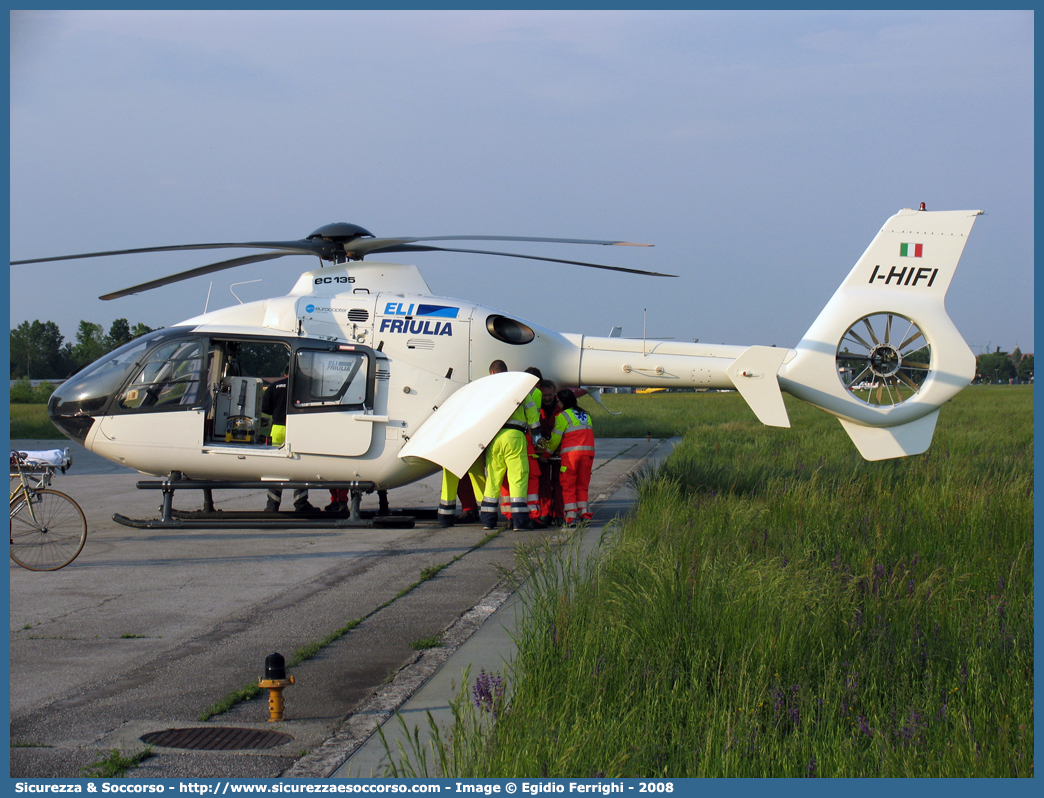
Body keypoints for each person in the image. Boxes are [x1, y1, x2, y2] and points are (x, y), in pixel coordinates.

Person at [479, 361, 542, 531]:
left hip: (494, 438)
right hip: (515, 436)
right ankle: (519, 522)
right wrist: (536, 435)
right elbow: (532, 412)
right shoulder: (519, 387)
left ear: (492, 372)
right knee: (518, 478)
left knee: (493, 479)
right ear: (507, 371)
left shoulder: (487, 389)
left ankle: (488, 521)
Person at [260, 370, 314, 513]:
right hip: (298, 429)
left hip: (278, 428)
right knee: (300, 466)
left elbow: (265, 408)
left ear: (284, 375)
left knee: (276, 467)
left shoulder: (274, 386)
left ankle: (272, 504)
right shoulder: (304, 388)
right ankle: (300, 503)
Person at [544, 389, 594, 527]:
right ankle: (584, 515)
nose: (557, 404)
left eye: (558, 401)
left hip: (571, 456)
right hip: (588, 455)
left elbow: (555, 439)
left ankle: (571, 517)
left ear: (563, 401)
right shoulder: (585, 415)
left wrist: (545, 454)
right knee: (582, 486)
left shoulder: (562, 416)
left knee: (568, 486)